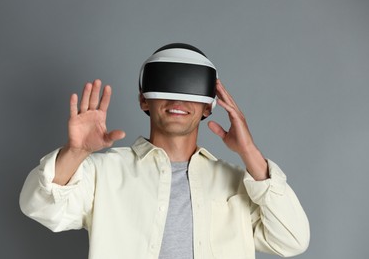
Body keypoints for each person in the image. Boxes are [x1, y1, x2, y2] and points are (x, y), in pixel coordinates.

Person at [19, 43, 310, 259]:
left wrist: (250, 153)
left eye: (191, 89)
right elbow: (39, 207)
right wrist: (76, 152)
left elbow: (292, 239)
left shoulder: (236, 183)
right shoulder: (103, 173)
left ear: (209, 105)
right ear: (145, 101)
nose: (178, 98)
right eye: (166, 87)